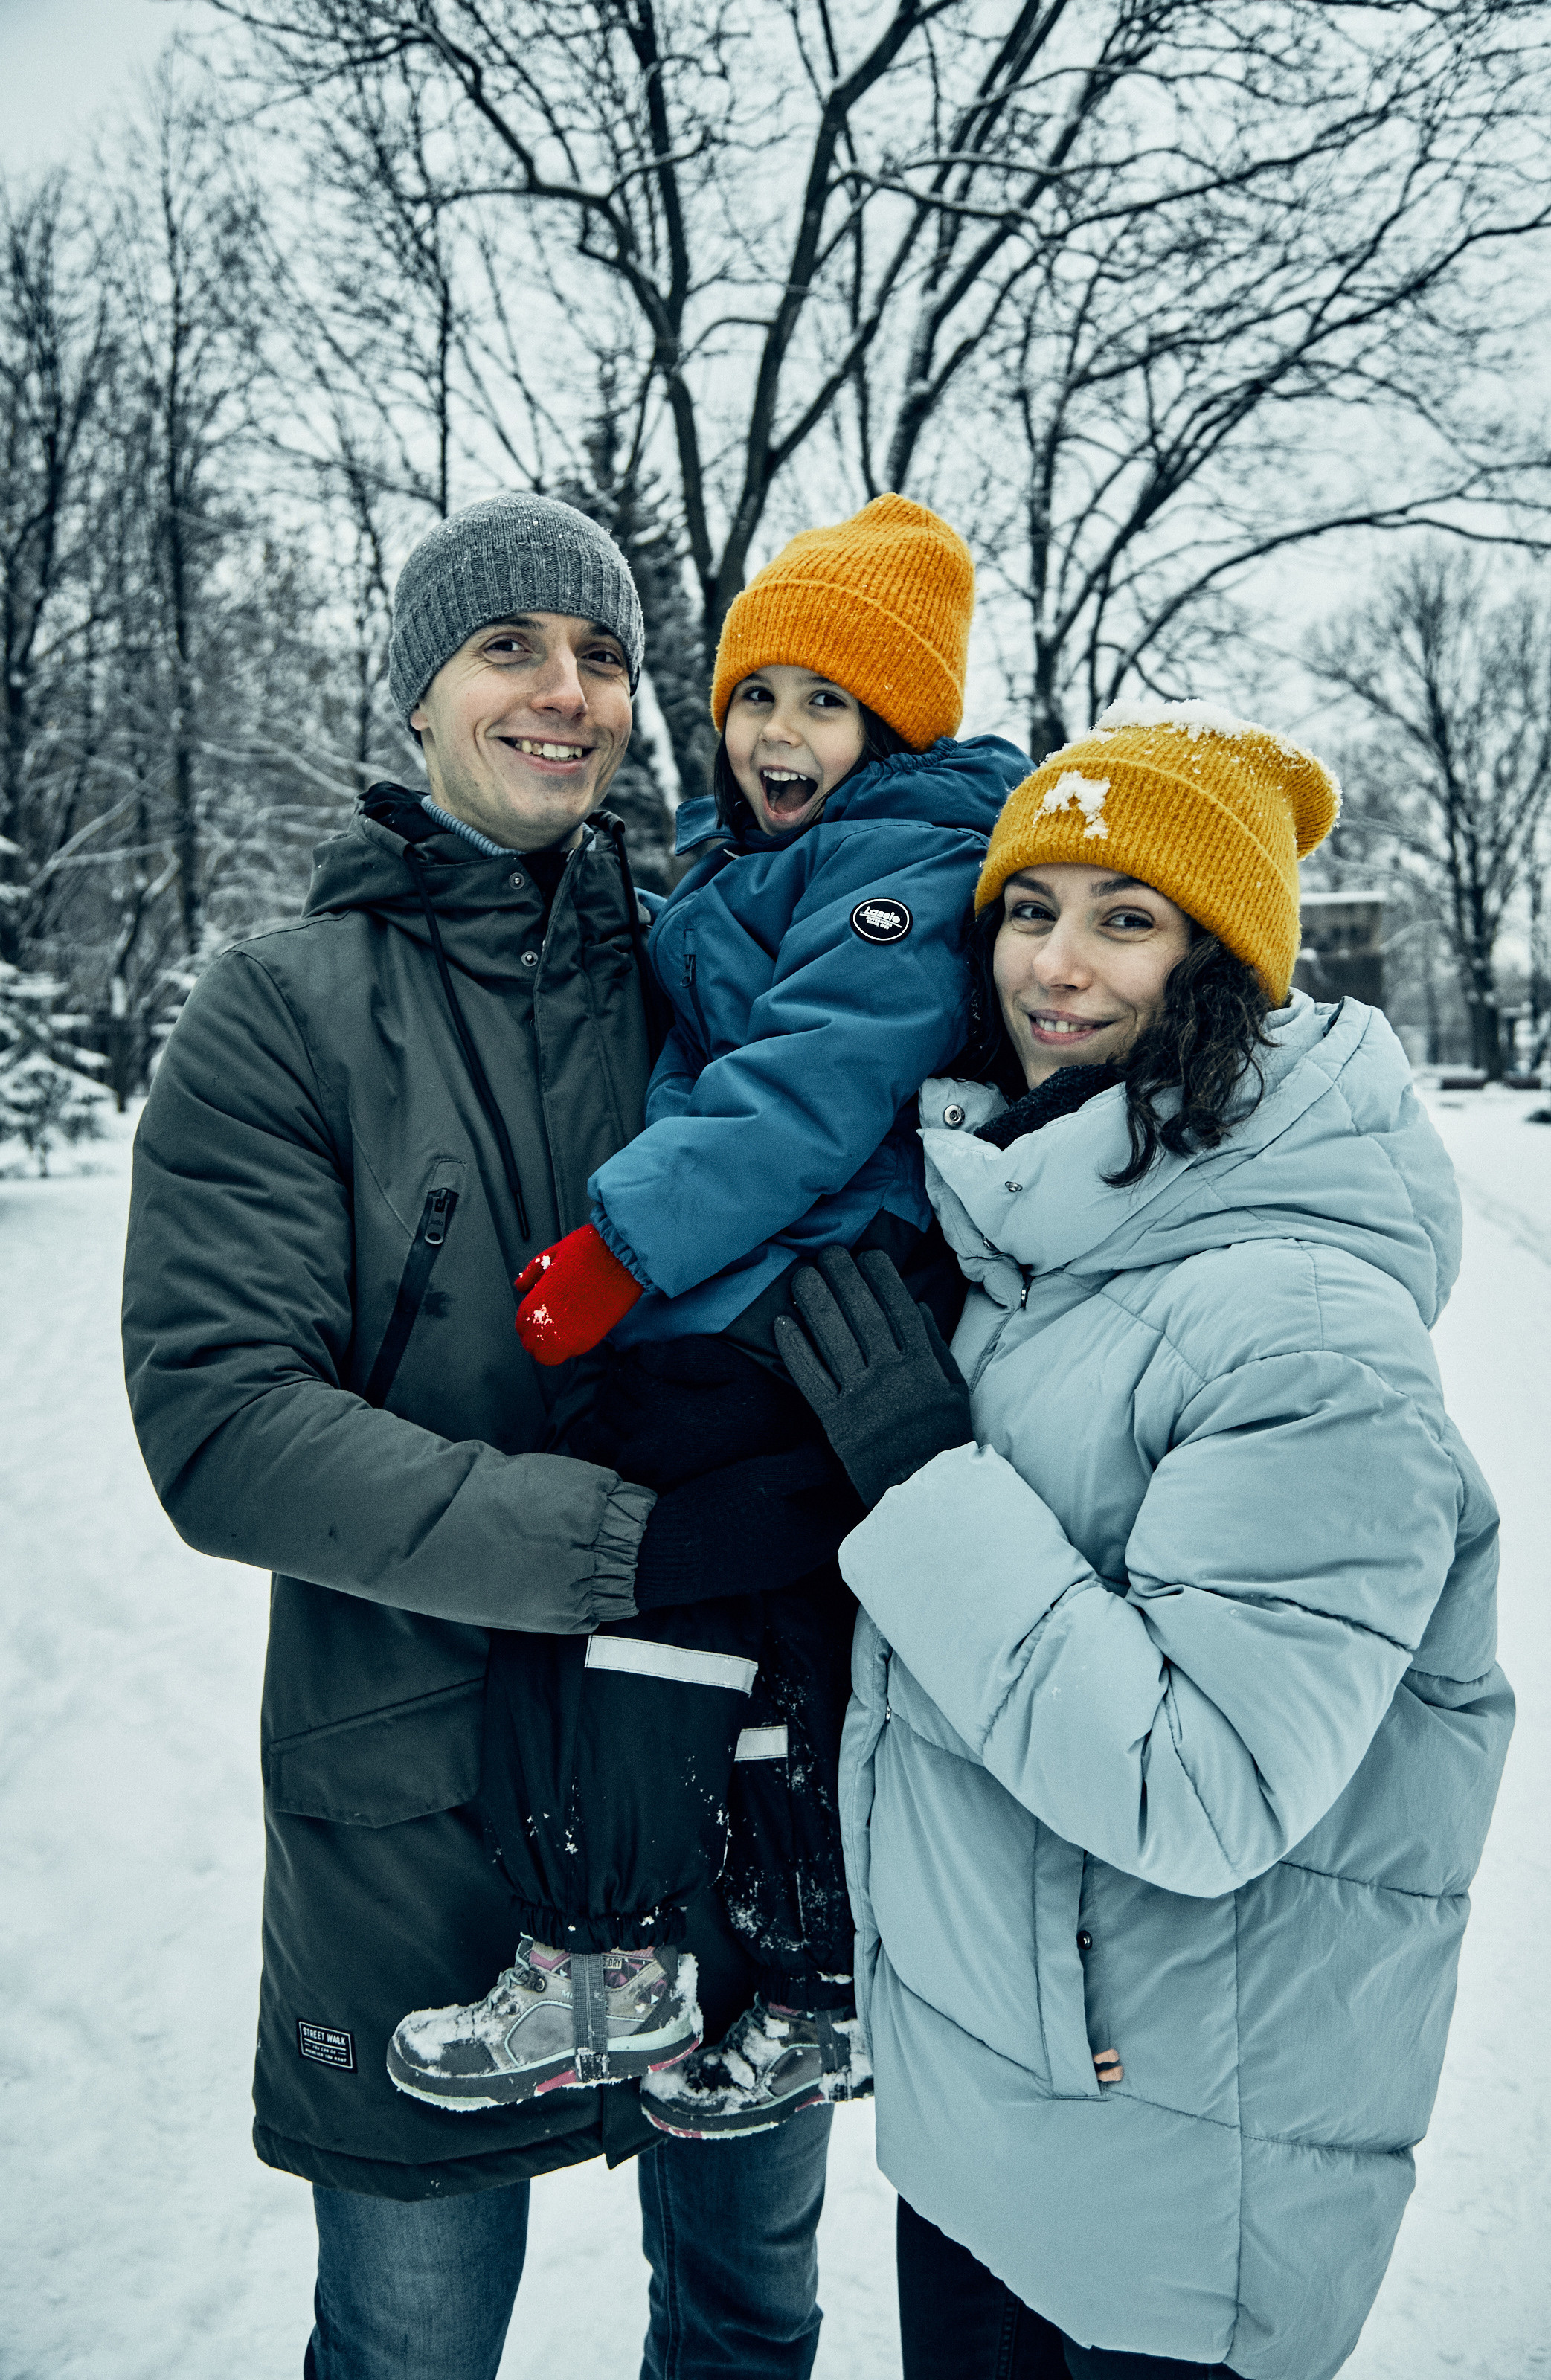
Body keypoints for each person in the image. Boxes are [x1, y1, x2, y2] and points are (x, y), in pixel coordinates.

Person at [122, 492, 856, 2379]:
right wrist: (615, 1544)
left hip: (722, 1792)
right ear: (416, 696)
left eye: (604, 655)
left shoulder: (719, 974)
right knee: (407, 2350)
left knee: (747, 2319)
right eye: (509, 648)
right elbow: (225, 1422)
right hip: (417, 1817)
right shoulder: (279, 1015)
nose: (568, 693)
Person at [773, 701, 1514, 2379]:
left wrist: (919, 1481)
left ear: (1220, 971)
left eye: (1126, 918)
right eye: (1029, 909)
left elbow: (1202, 1792)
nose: (1057, 965)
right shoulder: (1040, 1241)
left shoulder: (1307, 1328)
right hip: (998, 2123)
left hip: (1178, 2190)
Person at [385, 493, 1027, 2138]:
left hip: (813, 1290)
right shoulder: (752, 863)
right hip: (746, 1287)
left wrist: (619, 1247)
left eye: (826, 699)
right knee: (737, 1616)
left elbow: (803, 1091)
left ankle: (615, 1941)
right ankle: (773, 1967)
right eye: (756, 692)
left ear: (891, 724)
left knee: (652, 1560)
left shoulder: (903, 865)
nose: (778, 729)